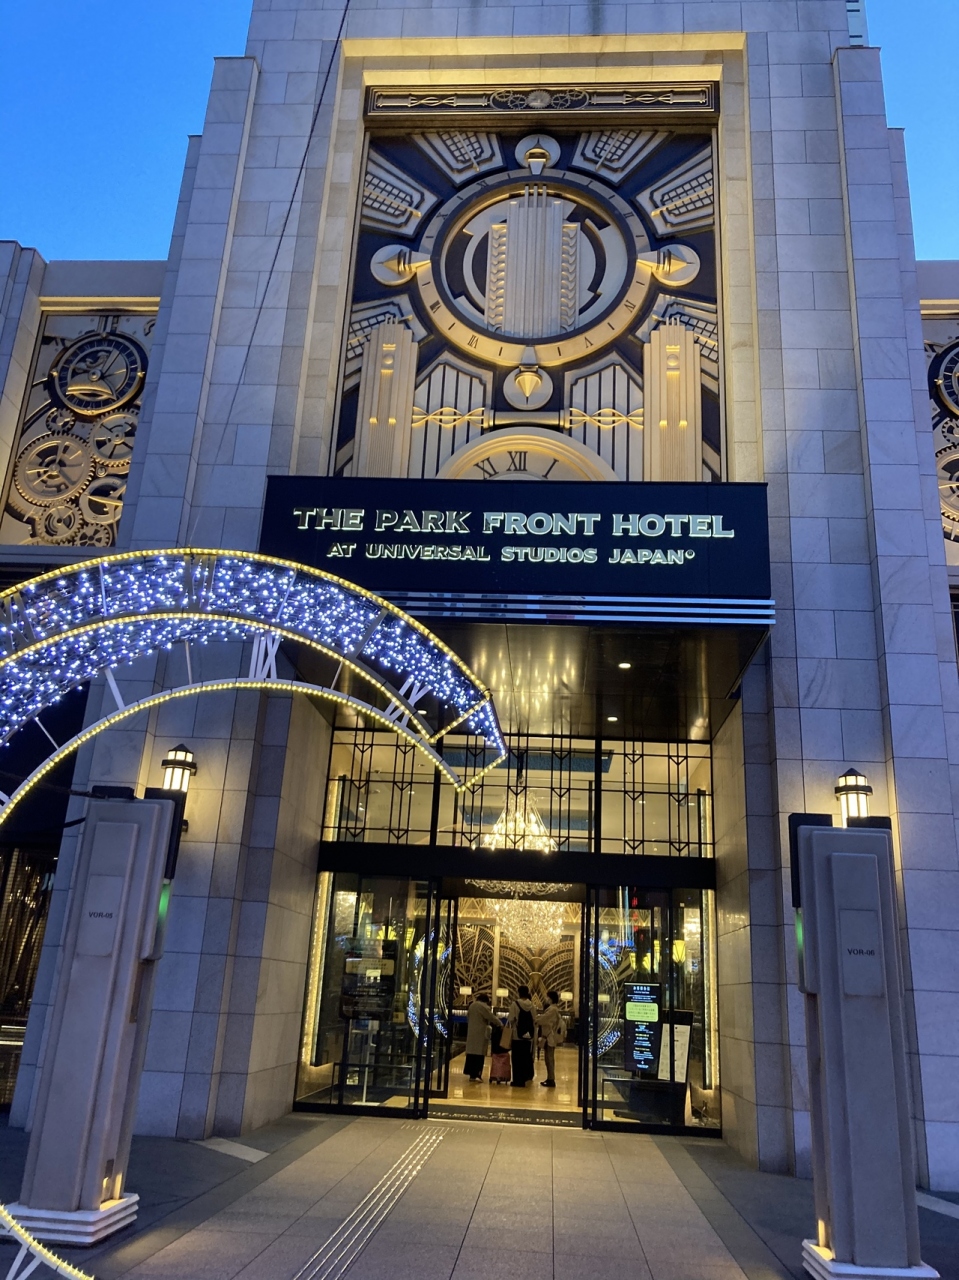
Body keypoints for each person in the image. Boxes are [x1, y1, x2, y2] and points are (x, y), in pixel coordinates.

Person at [463, 994, 501, 1082]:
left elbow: (468, 1017)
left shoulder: (472, 1006)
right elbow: (491, 1017)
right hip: (480, 1033)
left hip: (471, 1032)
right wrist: (500, 1023)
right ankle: (477, 1074)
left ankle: (471, 1074)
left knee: (471, 1054)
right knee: (479, 1055)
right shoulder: (483, 1007)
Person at [508, 985, 537, 1087]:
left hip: (517, 1036)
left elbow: (511, 1019)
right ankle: (525, 1077)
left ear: (519, 993)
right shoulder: (532, 1006)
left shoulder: (515, 1004)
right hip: (528, 1036)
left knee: (516, 1059)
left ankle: (517, 1080)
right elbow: (534, 1020)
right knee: (525, 1058)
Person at [535, 990, 565, 1088]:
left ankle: (551, 1079)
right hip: (549, 1036)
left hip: (550, 1037)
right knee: (548, 1059)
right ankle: (549, 1078)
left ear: (551, 999)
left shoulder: (552, 1010)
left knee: (549, 1059)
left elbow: (544, 1019)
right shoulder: (553, 1009)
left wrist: (535, 1019)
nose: (546, 999)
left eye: (547, 997)